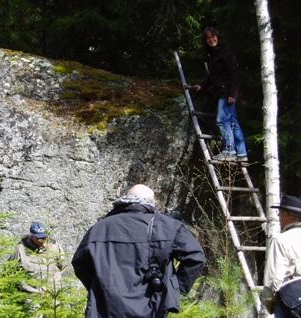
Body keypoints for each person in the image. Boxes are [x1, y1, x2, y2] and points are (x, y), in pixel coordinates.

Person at [72, 184, 206, 317]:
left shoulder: (100, 228)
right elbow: (195, 257)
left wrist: (100, 285)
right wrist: (174, 288)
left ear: (125, 199)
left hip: (105, 308)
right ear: (152, 203)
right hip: (151, 306)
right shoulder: (168, 227)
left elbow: (80, 262)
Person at [193, 26, 248, 162]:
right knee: (233, 122)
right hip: (221, 91)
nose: (211, 40)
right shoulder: (212, 55)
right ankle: (241, 153)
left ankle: (229, 151)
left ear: (218, 36)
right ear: (205, 41)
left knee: (222, 121)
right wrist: (202, 85)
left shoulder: (226, 52)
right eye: (208, 38)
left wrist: (233, 93)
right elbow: (213, 77)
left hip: (227, 91)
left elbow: (234, 73)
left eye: (213, 37)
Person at [262, 195, 301, 317]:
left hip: (290, 300)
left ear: (287, 214)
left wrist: (269, 302)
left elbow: (274, 277)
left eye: (280, 213)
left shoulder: (281, 240)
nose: (278, 217)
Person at [10, 221, 65, 293]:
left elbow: (62, 265)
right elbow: (12, 271)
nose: (43, 240)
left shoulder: (54, 245)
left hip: (52, 293)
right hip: (31, 294)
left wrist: (54, 283)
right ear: (32, 237)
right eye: (40, 238)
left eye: (44, 237)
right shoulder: (21, 249)